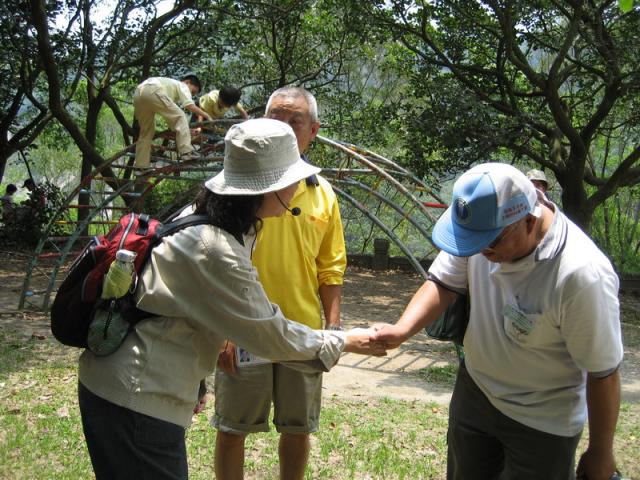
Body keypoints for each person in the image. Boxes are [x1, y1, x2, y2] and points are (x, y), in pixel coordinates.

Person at [77, 118, 385, 480]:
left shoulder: (218, 221)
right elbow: (269, 334)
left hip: (132, 388)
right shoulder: (215, 247)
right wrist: (346, 340)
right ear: (270, 188)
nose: (299, 186)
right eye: (292, 179)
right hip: (134, 397)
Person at [373, 162, 623, 480]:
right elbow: (444, 282)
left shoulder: (581, 275)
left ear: (530, 221)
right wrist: (402, 329)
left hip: (543, 419)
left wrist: (601, 452)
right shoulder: (481, 227)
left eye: (491, 243)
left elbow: (603, 372)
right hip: (475, 391)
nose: (480, 251)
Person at [213, 86, 344, 480]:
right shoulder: (239, 189)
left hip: (301, 329)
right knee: (233, 427)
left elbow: (331, 267)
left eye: (294, 121)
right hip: (244, 327)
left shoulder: (323, 193)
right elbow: (216, 262)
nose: (284, 128)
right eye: (275, 118)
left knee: (297, 427)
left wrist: (332, 328)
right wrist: (223, 329)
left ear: (313, 131)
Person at [133, 74, 212, 169]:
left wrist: (186, 130)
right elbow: (189, 105)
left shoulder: (169, 89)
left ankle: (140, 167)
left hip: (138, 93)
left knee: (146, 133)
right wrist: (207, 115)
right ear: (187, 82)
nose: (191, 95)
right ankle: (187, 152)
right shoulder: (182, 85)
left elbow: (172, 120)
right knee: (180, 116)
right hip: (152, 89)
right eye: (193, 91)